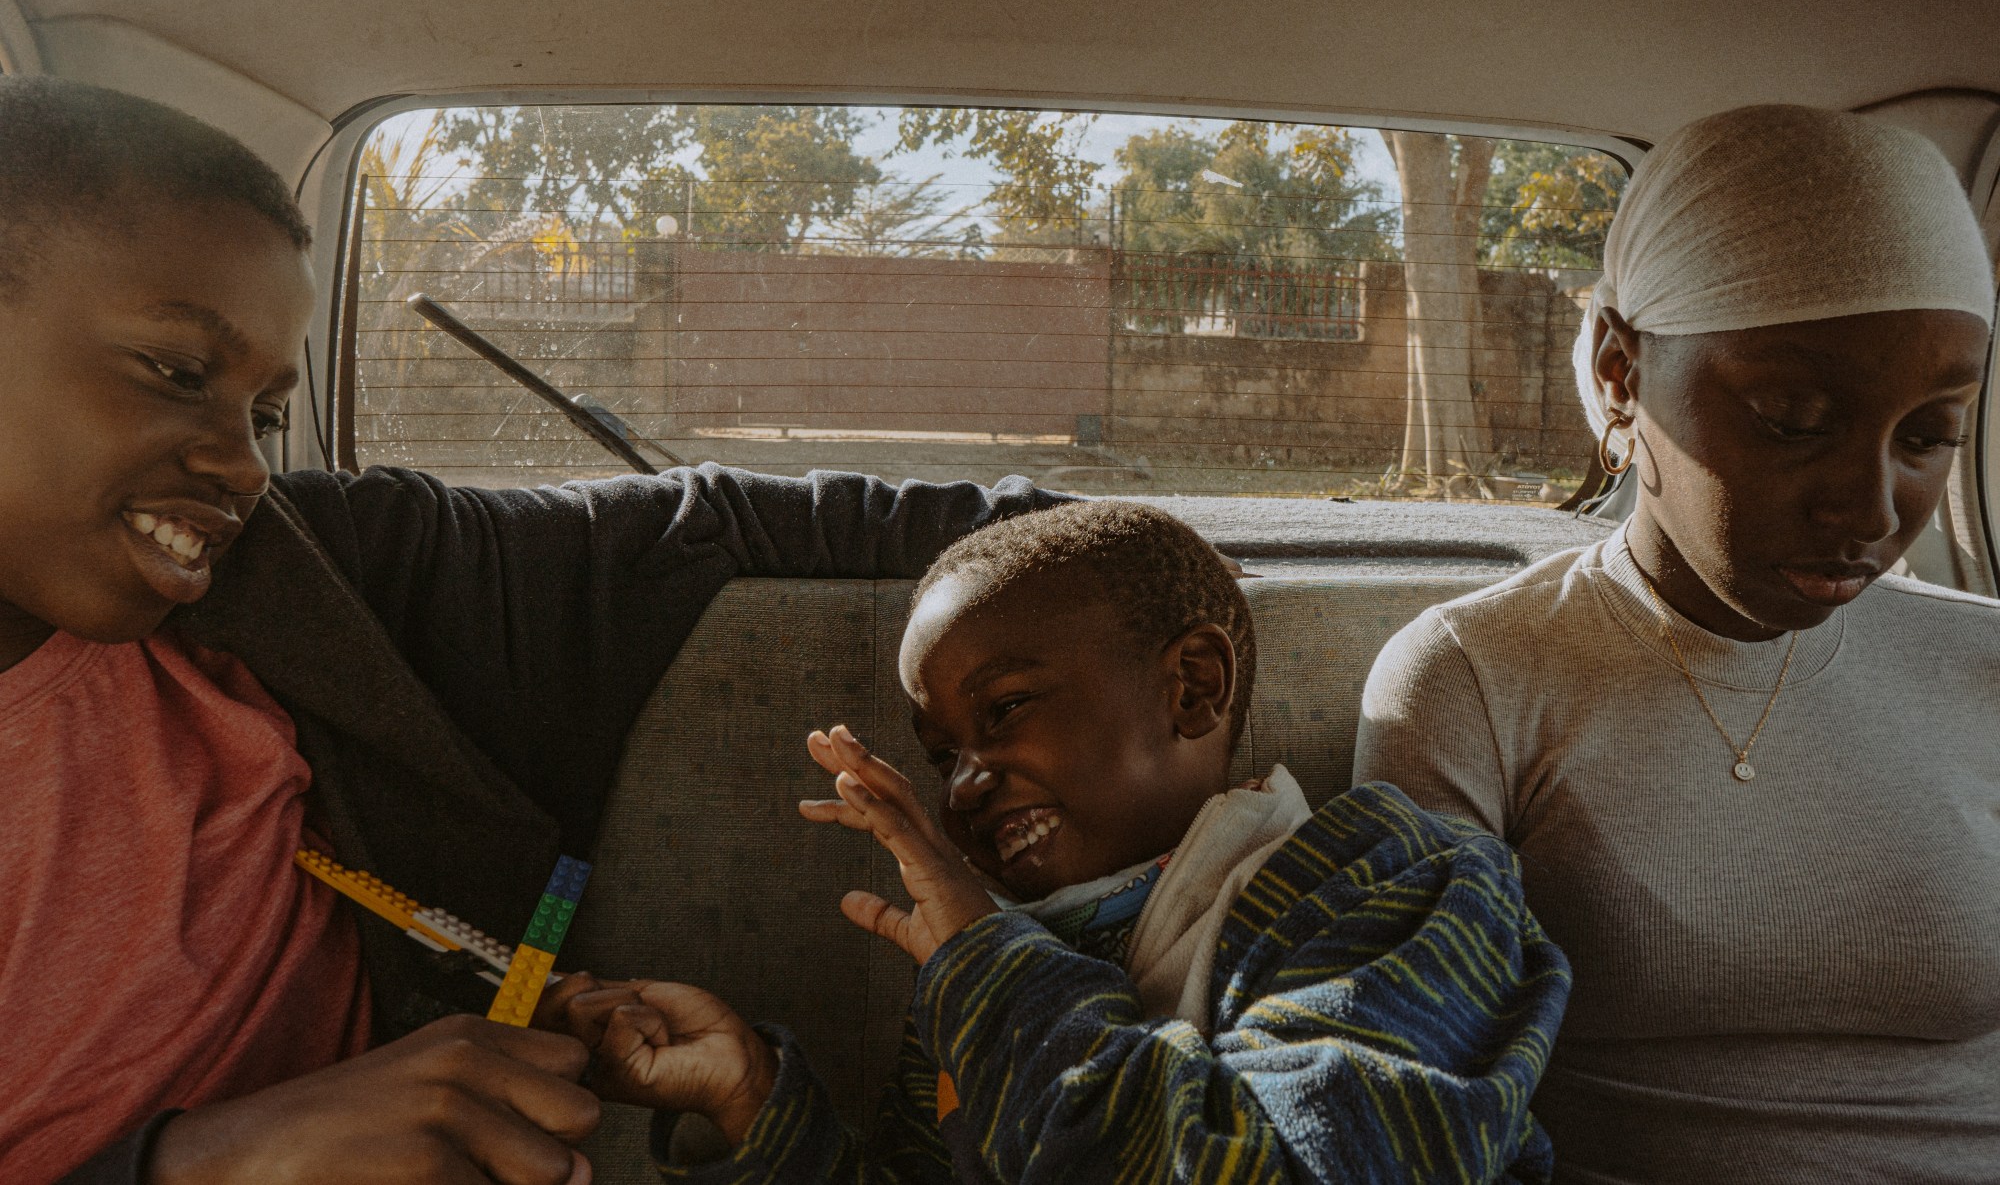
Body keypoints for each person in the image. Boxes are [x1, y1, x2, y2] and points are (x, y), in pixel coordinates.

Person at [0, 75, 1062, 1185]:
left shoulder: (300, 575)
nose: (241, 464)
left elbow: (712, 524)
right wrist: (200, 1161)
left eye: (265, 414)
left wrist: (1124, 552)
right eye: (176, 372)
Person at [542, 501, 1572, 1184]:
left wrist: (985, 966)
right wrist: (751, 1096)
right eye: (942, 756)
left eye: (1006, 712)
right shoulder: (987, 972)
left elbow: (1274, 1162)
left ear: (1192, 687)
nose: (966, 785)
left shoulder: (1402, 884)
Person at [1353, 104, 2000, 1182]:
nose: (1871, 505)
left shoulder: (1981, 668)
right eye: (1791, 417)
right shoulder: (1474, 680)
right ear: (1618, 368)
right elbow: (1414, 1095)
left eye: (1930, 434)